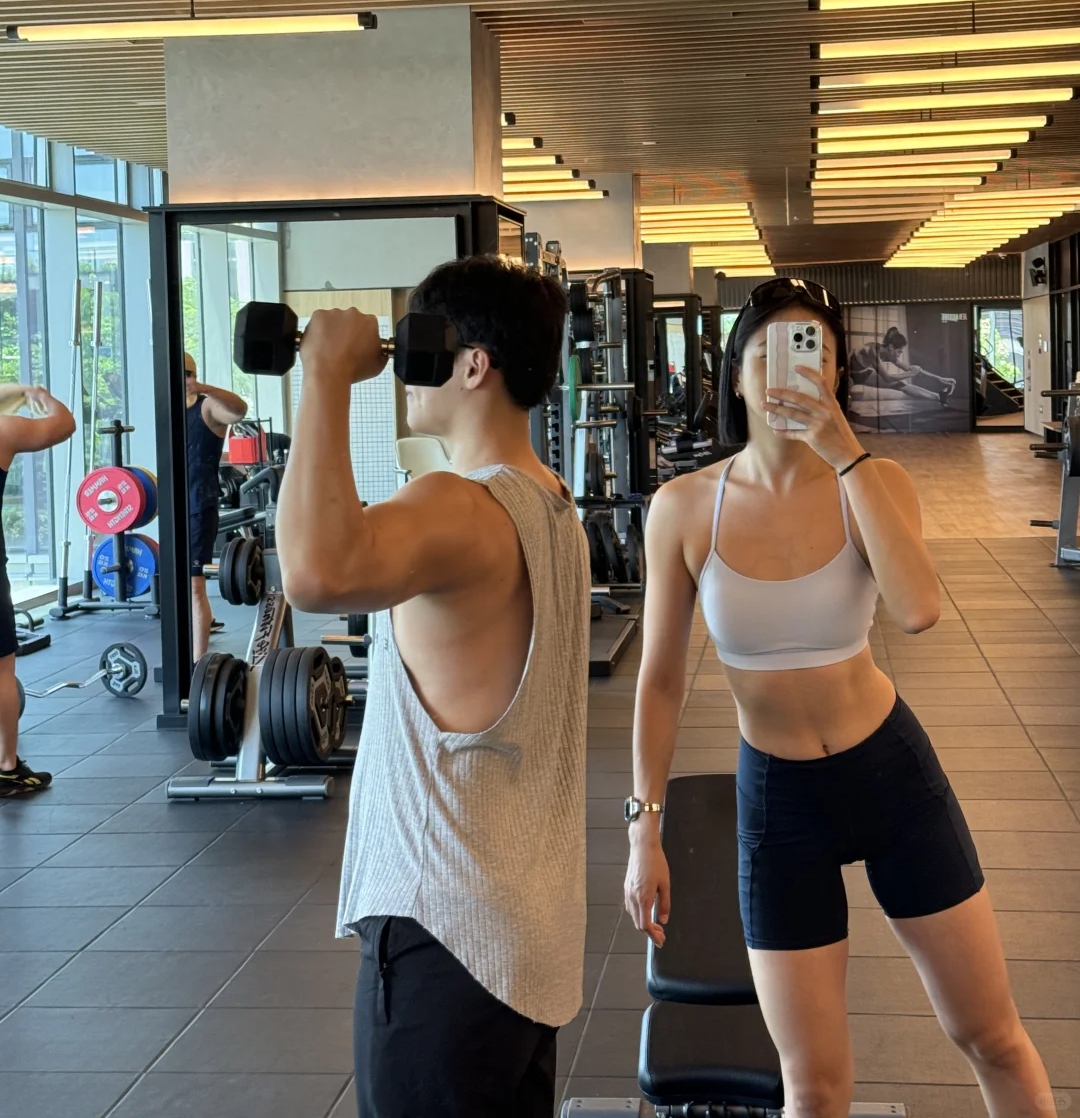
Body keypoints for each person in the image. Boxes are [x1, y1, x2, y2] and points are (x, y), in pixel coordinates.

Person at [624, 277, 1052, 1118]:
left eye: (811, 352)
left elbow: (919, 610)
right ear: (736, 374)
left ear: (836, 375)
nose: (790, 371)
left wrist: (846, 453)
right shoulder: (683, 508)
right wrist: (646, 830)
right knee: (812, 1088)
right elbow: (661, 679)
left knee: (989, 1034)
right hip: (779, 801)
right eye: (768, 353)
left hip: (891, 776)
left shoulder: (876, 481)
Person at [276, 256, 590, 1118]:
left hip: (442, 930)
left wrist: (325, 373)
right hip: (521, 938)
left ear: (474, 364)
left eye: (422, 345)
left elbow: (314, 571)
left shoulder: (461, 504)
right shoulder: (552, 503)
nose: (406, 370)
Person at [0, 384, 76, 798]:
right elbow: (63, 424)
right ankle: (6, 767)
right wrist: (36, 394)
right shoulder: (3, 430)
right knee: (1, 670)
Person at [184, 354, 247, 661]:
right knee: (177, 587)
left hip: (199, 505)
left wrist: (204, 388)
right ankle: (182, 657)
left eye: (189, 372)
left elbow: (238, 411)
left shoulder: (207, 407)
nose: (185, 378)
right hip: (171, 507)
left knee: (195, 586)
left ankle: (199, 663)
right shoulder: (165, 410)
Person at [850, 325, 956, 407]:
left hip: (862, 373)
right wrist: (910, 374)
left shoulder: (889, 354)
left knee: (901, 385)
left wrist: (939, 378)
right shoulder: (872, 350)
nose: (899, 355)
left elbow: (912, 369)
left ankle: (940, 397)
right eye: (899, 352)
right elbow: (887, 378)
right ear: (891, 347)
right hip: (847, 374)